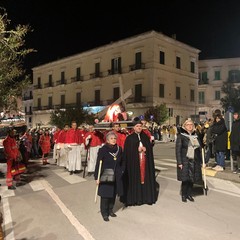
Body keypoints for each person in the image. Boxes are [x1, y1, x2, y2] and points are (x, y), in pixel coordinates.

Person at [121, 117, 158, 206]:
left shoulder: (145, 137)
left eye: (140, 126)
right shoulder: (129, 139)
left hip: (145, 163)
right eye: (137, 126)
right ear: (134, 128)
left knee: (145, 179)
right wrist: (136, 149)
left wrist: (146, 148)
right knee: (136, 180)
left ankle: (146, 198)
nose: (139, 128)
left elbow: (149, 149)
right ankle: (136, 199)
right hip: (135, 164)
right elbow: (127, 153)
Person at [94, 131, 124, 222]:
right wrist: (97, 177)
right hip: (106, 174)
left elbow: (123, 161)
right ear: (107, 140)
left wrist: (122, 170)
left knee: (113, 194)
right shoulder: (103, 149)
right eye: (111, 138)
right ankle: (104, 213)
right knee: (105, 195)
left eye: (115, 138)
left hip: (117, 174)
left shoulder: (119, 149)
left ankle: (111, 210)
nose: (114, 140)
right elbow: (98, 164)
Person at [175, 119, 202, 202]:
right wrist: (179, 162)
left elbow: (200, 149)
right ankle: (184, 195)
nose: (190, 126)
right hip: (185, 160)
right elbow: (178, 150)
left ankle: (189, 194)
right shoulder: (181, 136)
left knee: (192, 179)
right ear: (185, 126)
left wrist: (201, 162)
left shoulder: (196, 136)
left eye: (191, 125)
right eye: (188, 125)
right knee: (185, 179)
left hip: (194, 161)